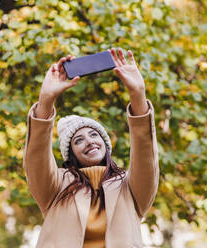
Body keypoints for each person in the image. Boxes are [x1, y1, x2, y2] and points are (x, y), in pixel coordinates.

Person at [23, 48, 159, 247]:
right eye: (78, 140)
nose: (89, 141)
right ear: (71, 155)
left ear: (105, 144)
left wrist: (137, 94)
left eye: (94, 134)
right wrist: (46, 99)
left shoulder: (129, 188)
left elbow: (146, 153)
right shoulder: (55, 187)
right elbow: (36, 156)